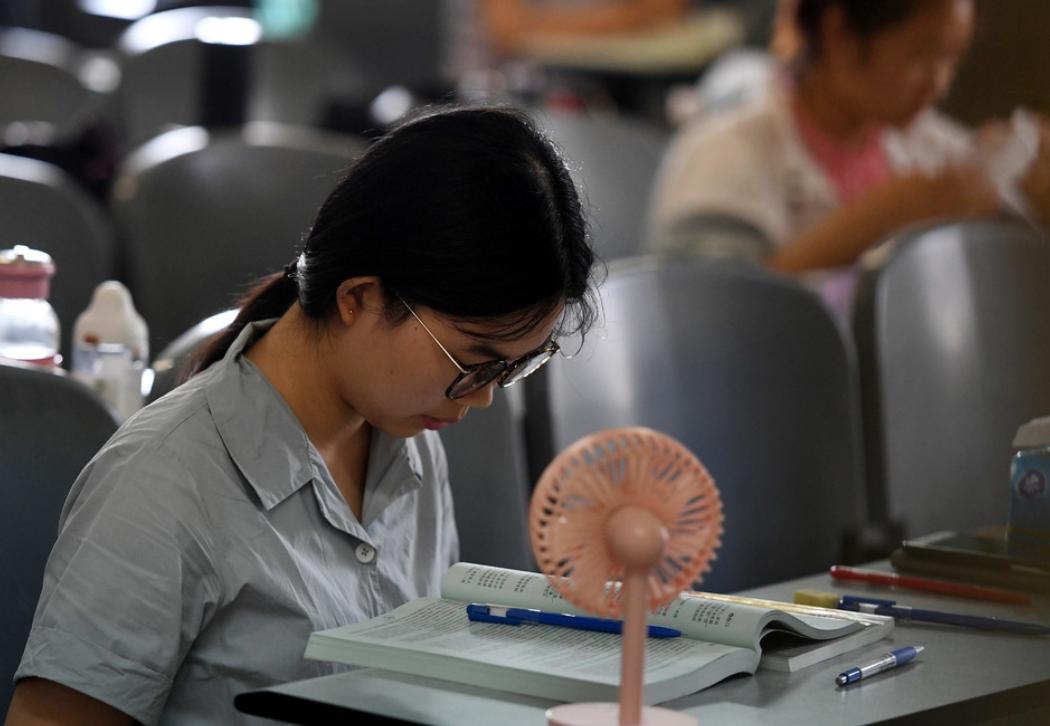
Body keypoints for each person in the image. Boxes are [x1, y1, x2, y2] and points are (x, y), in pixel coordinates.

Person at [6, 105, 599, 725]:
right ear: (359, 297)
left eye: (513, 368)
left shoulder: (410, 443)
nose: (482, 397)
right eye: (473, 363)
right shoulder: (163, 483)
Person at [647, 0, 1050, 309]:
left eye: (952, 59)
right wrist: (888, 215)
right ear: (838, 32)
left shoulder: (932, 149)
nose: (940, 83)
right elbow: (708, 318)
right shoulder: (723, 153)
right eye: (921, 55)